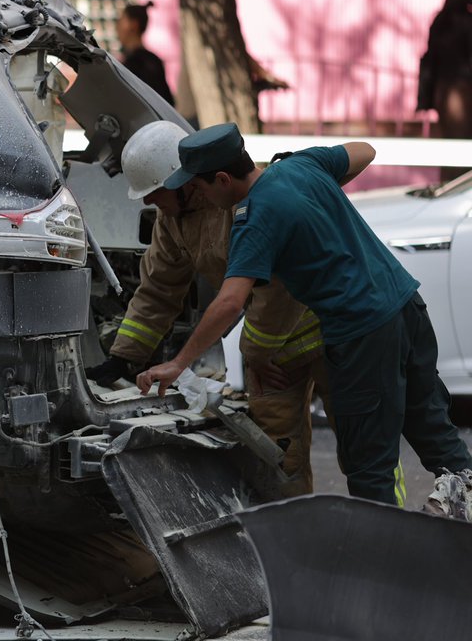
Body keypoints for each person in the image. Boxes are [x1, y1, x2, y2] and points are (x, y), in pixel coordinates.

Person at [137, 124, 472, 505]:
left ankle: (380, 559)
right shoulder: (302, 166)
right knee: (435, 433)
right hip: (408, 308)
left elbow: (230, 302)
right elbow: (365, 150)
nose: (200, 196)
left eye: (200, 187)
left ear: (223, 179)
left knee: (369, 468)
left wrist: (179, 363)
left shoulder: (253, 218)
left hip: (362, 335)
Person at [84, 120, 330, 497]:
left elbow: (274, 290)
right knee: (279, 458)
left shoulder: (244, 197)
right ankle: (296, 542)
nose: (148, 202)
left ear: (182, 182)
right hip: (273, 352)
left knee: (363, 446)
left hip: (330, 336)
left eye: (153, 192)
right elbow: (159, 290)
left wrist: (257, 354)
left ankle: (388, 533)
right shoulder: (172, 220)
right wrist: (123, 356)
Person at [418, 0, 472, 180]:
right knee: (461, 144)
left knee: (452, 143)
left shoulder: (441, 20)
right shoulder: (463, 21)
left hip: (445, 90)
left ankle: (451, 187)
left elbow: (431, 58)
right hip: (461, 90)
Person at [116, 2, 175, 107]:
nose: (118, 26)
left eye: (122, 20)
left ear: (133, 25)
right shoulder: (152, 59)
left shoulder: (138, 62)